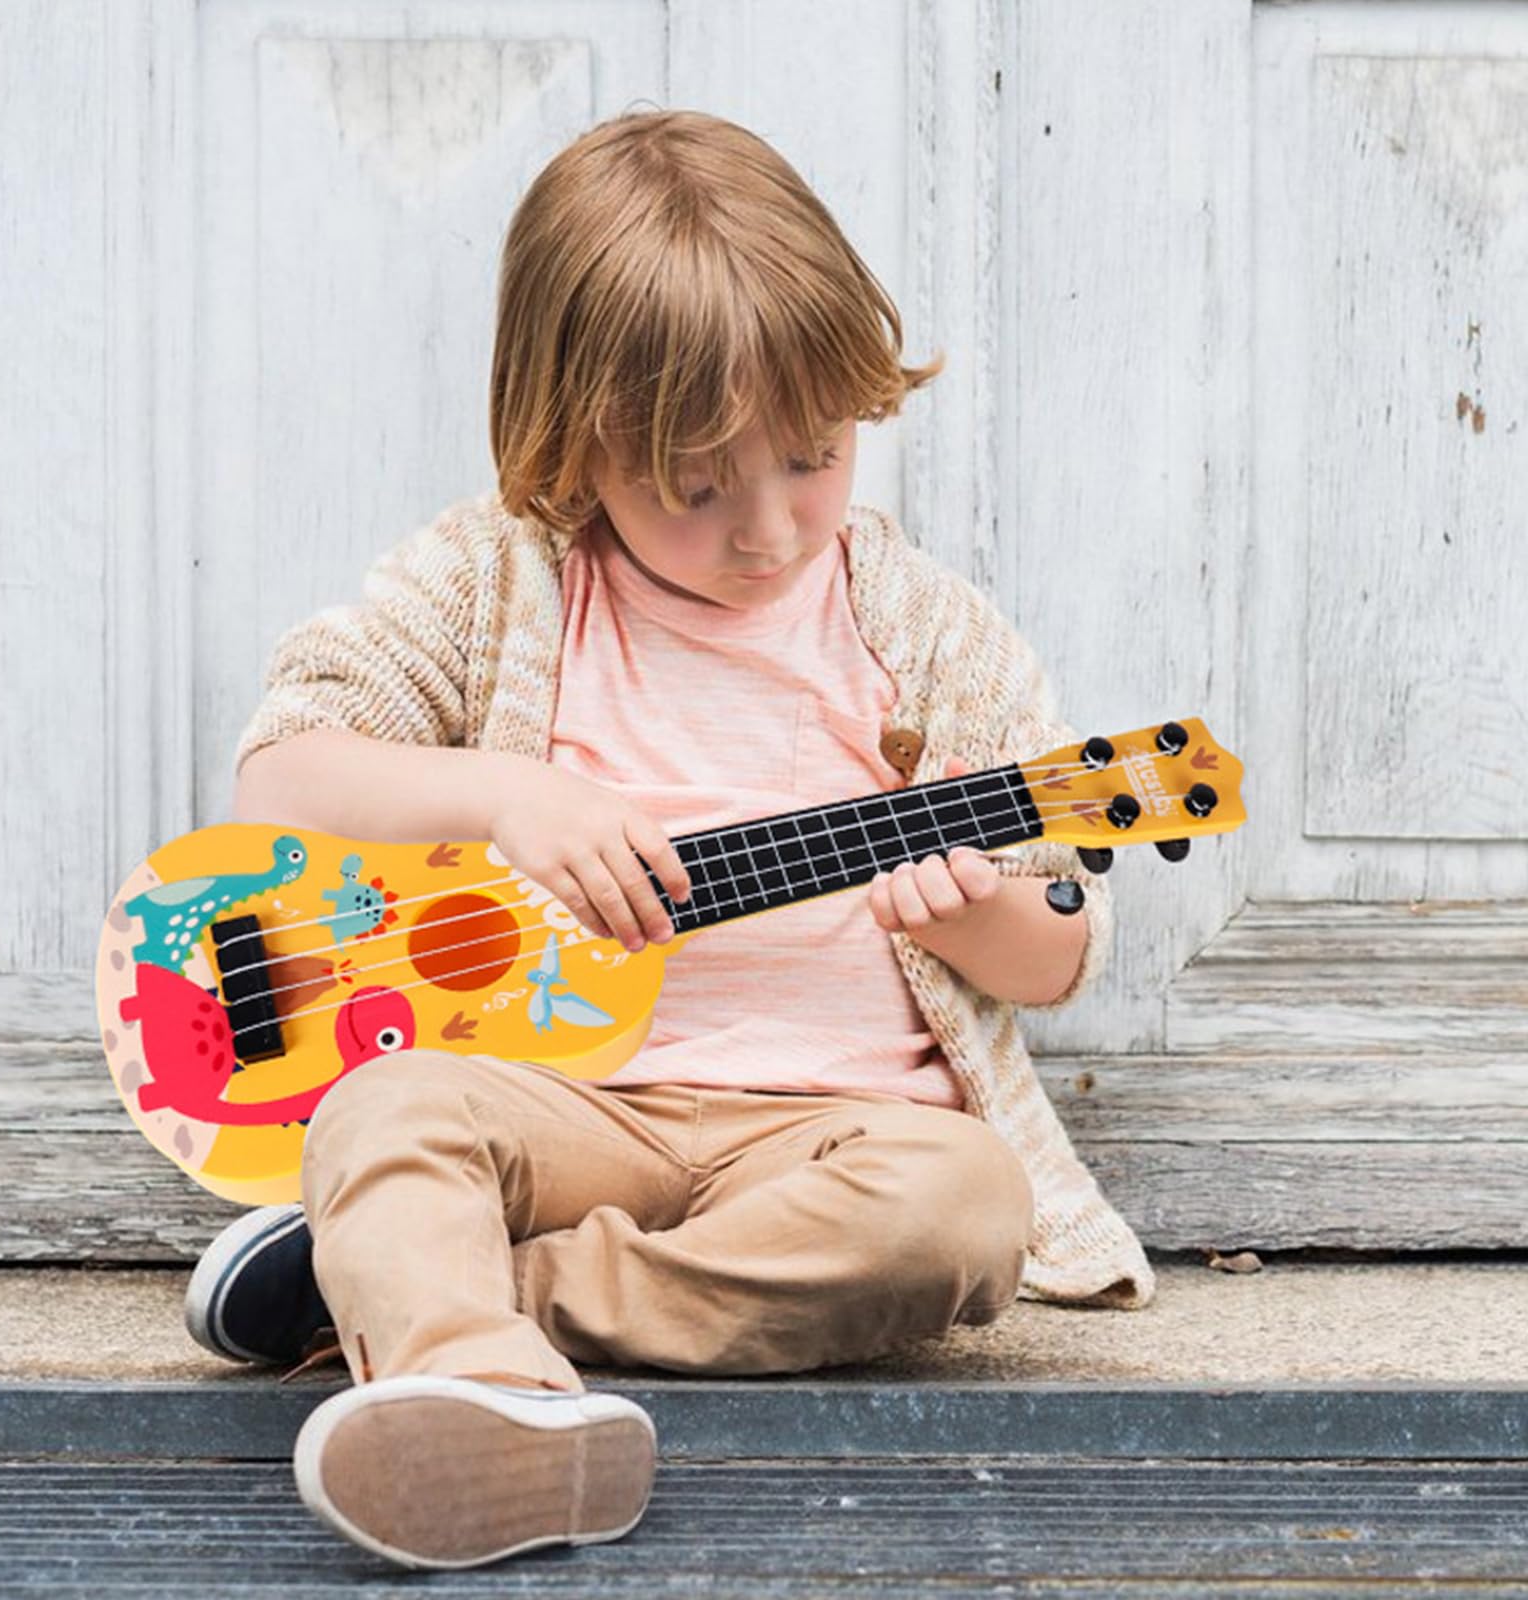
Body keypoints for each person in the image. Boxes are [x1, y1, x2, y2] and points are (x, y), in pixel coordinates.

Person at [185, 106, 1156, 1574]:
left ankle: (463, 1313)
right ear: (573, 446)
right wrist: (504, 802)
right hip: (563, 1113)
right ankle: (487, 1403)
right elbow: (284, 777)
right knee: (381, 1115)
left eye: (814, 456)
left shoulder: (928, 634)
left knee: (967, 1209)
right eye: (698, 487)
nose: (769, 527)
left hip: (827, 1134)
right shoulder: (498, 583)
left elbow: (1058, 944)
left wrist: (972, 915)